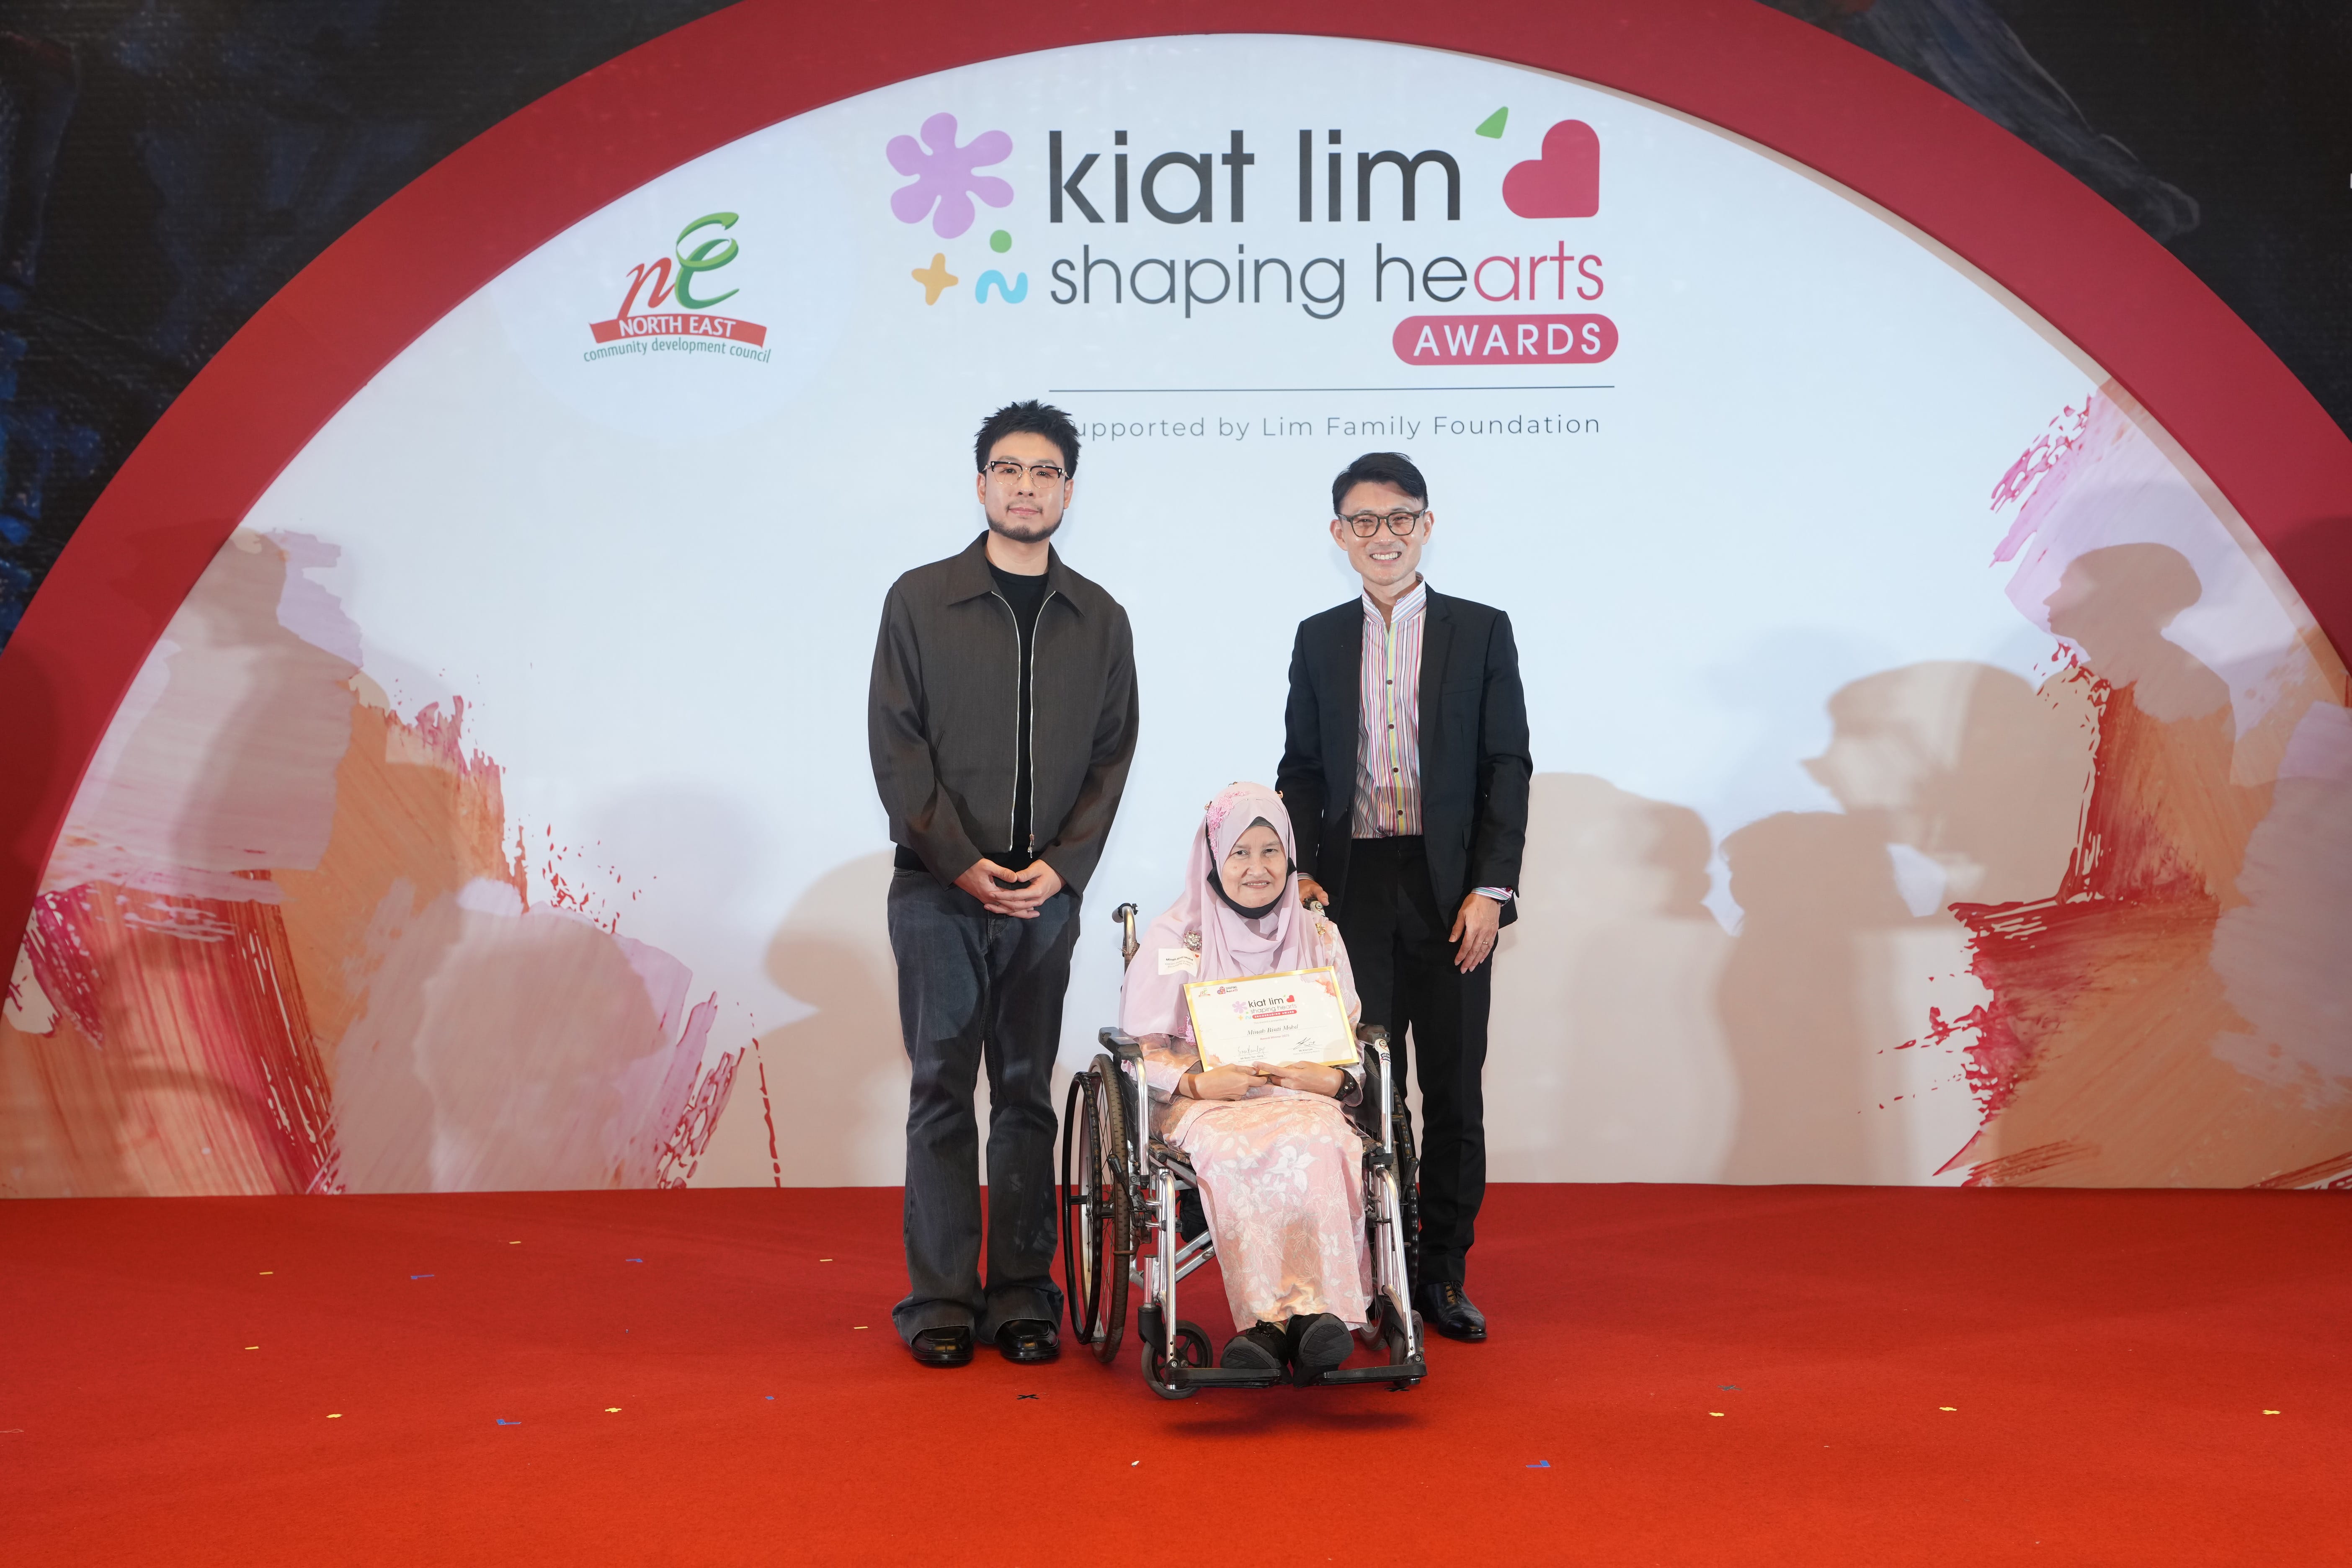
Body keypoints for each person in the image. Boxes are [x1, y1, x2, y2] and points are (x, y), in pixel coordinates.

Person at [868, 400, 1139, 1369]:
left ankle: (1023, 1293)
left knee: (1025, 1093)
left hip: (1044, 902)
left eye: (1048, 472)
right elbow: (897, 751)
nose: (1029, 487)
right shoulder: (920, 600)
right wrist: (960, 862)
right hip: (938, 892)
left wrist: (1059, 872)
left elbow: (1112, 759)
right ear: (981, 483)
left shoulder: (1100, 618)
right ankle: (939, 1300)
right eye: (1010, 470)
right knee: (942, 1091)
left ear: (1070, 488)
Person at [1276, 451, 1530, 1343]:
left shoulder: (1482, 631)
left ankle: (1443, 1273)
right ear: (1338, 535)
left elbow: (1508, 767)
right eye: (1363, 522)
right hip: (1355, 889)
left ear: (1426, 525)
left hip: (1451, 887)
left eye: (1399, 519)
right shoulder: (1318, 638)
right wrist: (1305, 864)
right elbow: (1301, 769)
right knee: (1365, 1091)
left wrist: (1491, 890)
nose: (1381, 537)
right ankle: (1375, 1273)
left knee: (1455, 1088)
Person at [1119, 781, 1372, 1382]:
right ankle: (1266, 1322)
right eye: (1240, 853)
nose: (1257, 869)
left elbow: (1357, 1043)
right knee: (1235, 1150)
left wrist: (1333, 1080)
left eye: (1271, 852)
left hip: (1301, 1096)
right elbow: (1140, 1053)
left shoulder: (1320, 937)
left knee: (1325, 1140)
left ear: (1289, 857)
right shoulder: (1173, 939)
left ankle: (1317, 1318)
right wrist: (1198, 1085)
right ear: (1213, 857)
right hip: (1208, 1106)